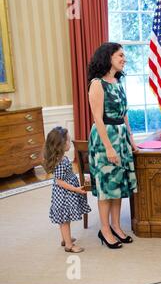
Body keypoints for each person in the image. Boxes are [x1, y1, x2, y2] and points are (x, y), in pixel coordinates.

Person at [87, 42, 138, 249]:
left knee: (118, 186)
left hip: (121, 137)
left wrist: (131, 140)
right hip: (104, 139)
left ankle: (116, 226)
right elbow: (98, 119)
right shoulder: (97, 84)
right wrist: (108, 147)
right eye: (120, 56)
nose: (124, 59)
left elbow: (124, 114)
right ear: (108, 58)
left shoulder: (117, 82)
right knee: (106, 187)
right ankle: (105, 230)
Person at [43, 126, 91, 253]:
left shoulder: (62, 158)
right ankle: (69, 245)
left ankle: (65, 238)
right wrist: (76, 189)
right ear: (60, 145)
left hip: (65, 193)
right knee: (65, 220)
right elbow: (59, 181)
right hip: (64, 195)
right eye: (68, 141)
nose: (70, 143)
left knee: (64, 219)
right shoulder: (61, 161)